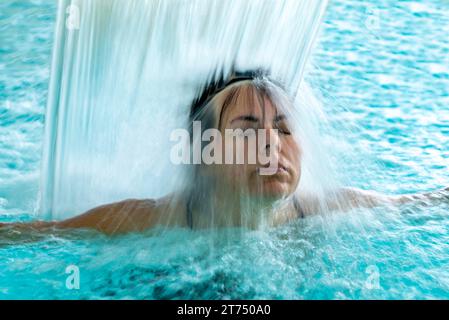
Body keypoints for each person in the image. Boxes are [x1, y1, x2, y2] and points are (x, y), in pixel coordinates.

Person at [1, 68, 448, 235]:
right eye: (247, 129)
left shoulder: (327, 209)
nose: (272, 141)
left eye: (284, 127)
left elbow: (420, 206)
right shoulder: (154, 220)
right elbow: (42, 234)